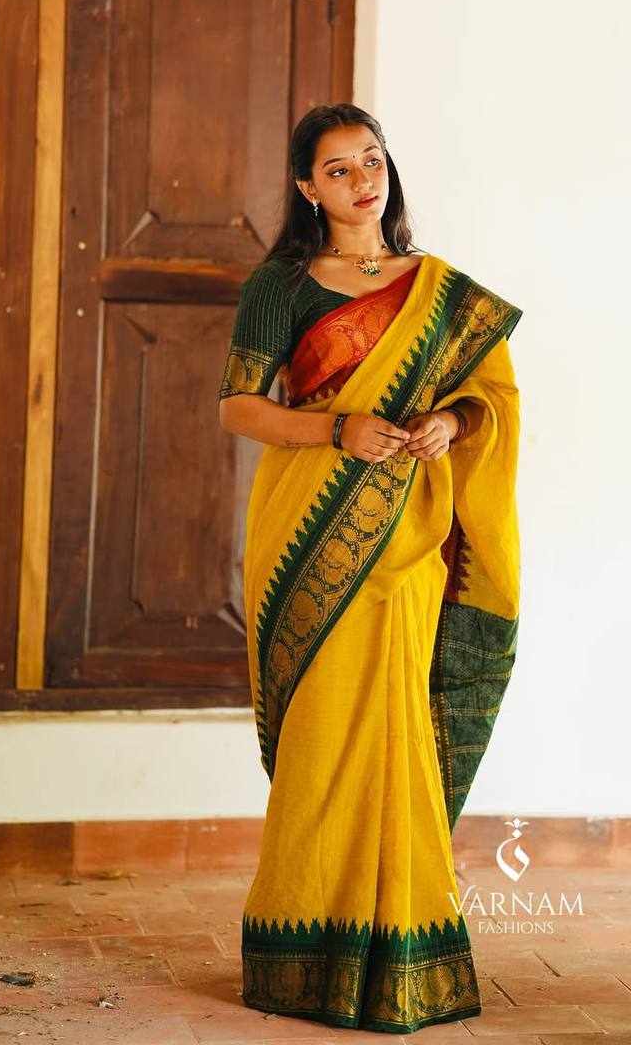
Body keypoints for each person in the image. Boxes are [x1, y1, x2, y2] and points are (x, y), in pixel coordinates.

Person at [217, 102, 524, 1032]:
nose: (362, 181)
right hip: (310, 534)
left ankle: (403, 948)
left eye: (372, 160)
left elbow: (490, 399)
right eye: (338, 169)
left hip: (409, 543)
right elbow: (239, 406)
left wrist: (451, 423)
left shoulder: (441, 291)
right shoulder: (281, 286)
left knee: (398, 731)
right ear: (307, 188)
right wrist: (337, 429)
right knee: (321, 738)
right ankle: (302, 957)